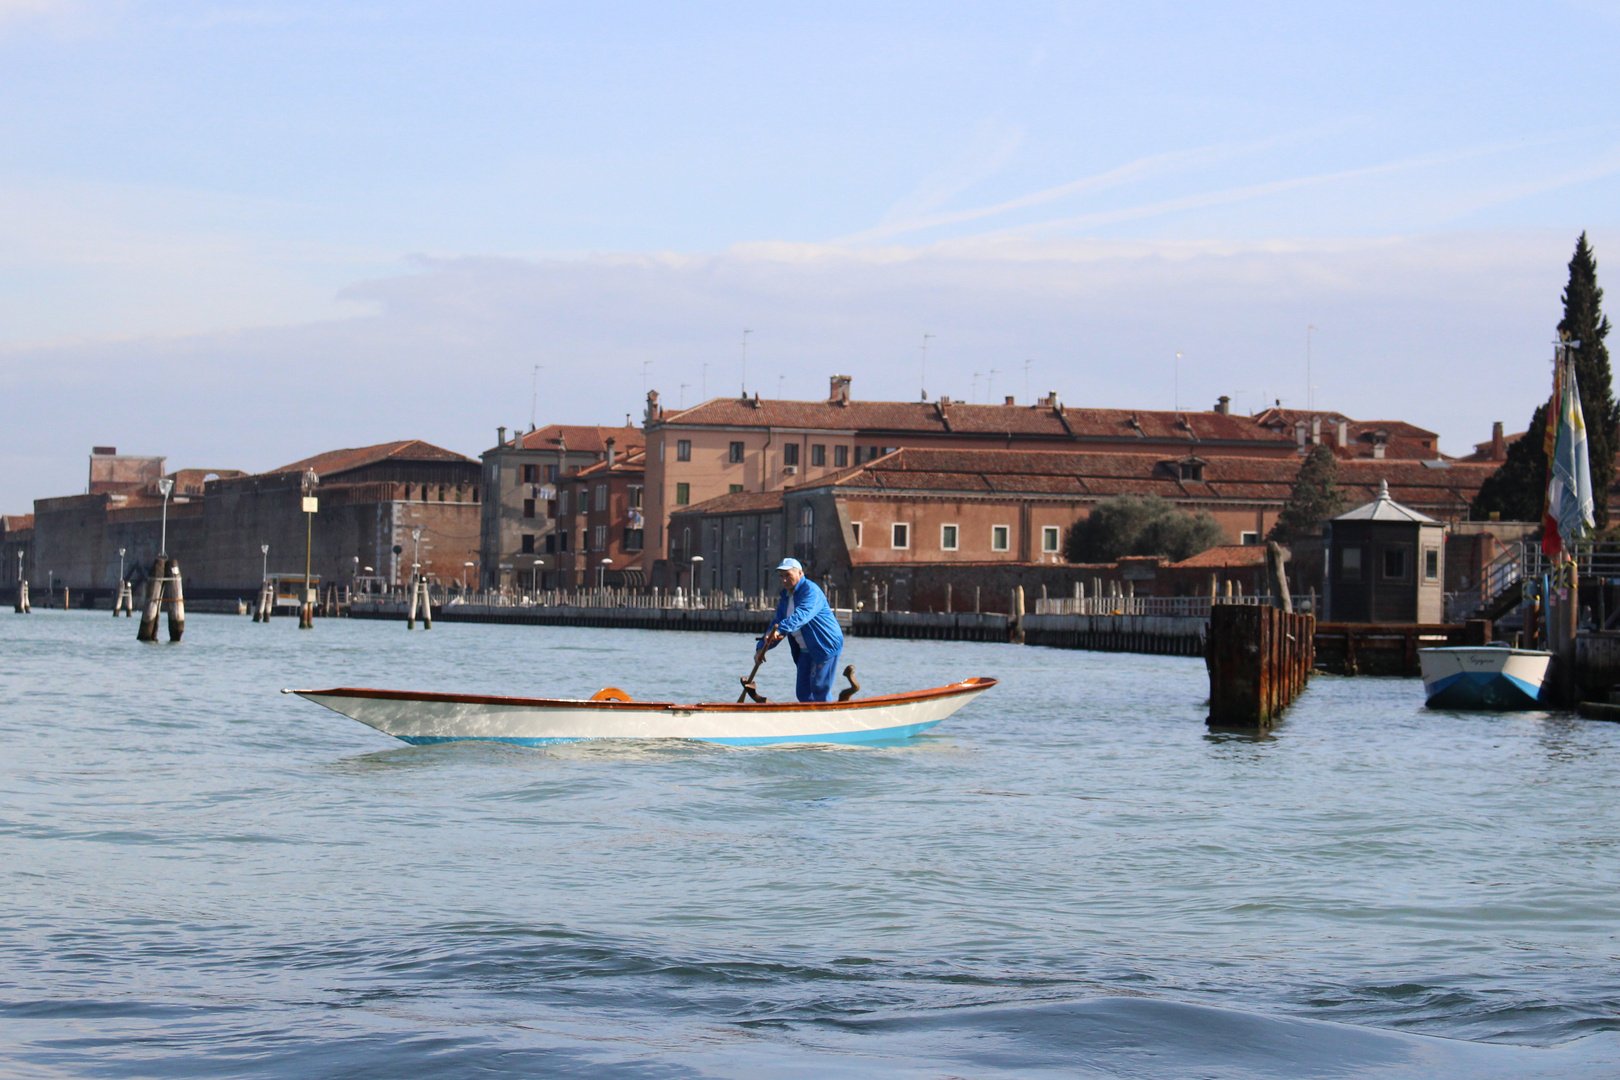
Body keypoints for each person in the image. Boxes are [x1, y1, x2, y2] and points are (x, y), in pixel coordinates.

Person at [756, 558, 844, 702]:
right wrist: (761, 648)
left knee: (819, 689)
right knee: (802, 692)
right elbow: (777, 622)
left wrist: (780, 631)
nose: (784, 580)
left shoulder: (811, 591)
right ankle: (808, 720)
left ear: (800, 573)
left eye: (788, 575)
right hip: (805, 648)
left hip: (824, 645)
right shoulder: (786, 596)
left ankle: (826, 718)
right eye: (781, 576)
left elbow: (802, 616)